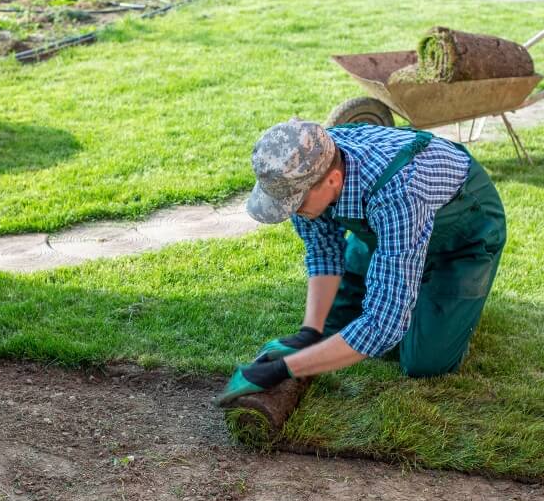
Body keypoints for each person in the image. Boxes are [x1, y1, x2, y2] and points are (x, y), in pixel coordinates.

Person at [216, 118, 506, 405]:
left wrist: (283, 369)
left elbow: (383, 326)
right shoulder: (308, 159)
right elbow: (323, 249)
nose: (293, 211)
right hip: (391, 232)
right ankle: (406, 279)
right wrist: (310, 332)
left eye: (296, 204)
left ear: (333, 181)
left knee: (424, 362)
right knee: (332, 330)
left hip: (462, 236)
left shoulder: (399, 192)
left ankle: (449, 303)